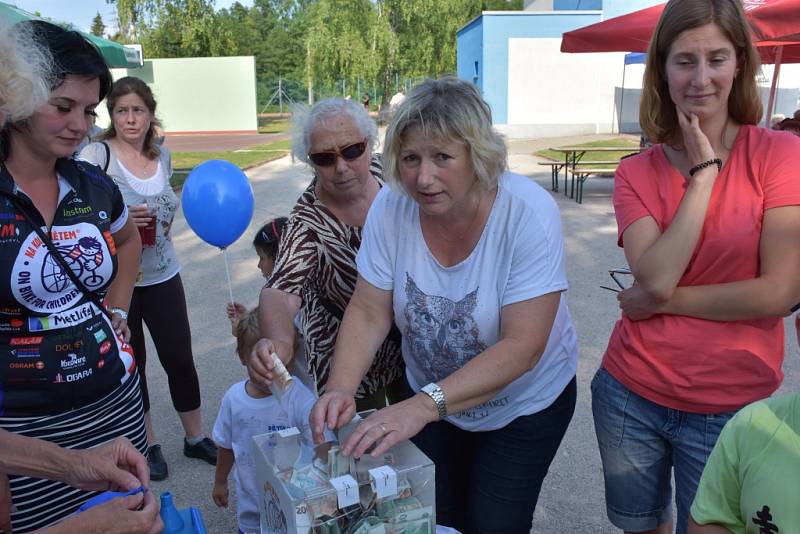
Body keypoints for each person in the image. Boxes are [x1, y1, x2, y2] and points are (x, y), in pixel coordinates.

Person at [310, 76, 579, 533]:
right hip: (433, 399)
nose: (423, 177)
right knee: (434, 516)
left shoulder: (527, 213)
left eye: (442, 157)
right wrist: (339, 386)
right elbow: (369, 309)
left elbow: (523, 347)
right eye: (410, 158)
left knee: (493, 522)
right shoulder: (391, 207)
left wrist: (419, 407)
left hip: (523, 404)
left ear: (479, 155)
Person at [592, 1, 800, 533]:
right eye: (685, 60)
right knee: (638, 525)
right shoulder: (636, 172)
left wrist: (665, 301)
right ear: (662, 68)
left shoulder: (780, 156)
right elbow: (655, 276)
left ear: (739, 65)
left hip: (727, 403)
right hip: (630, 391)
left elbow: (778, 293)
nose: (701, 78)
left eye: (716, 59)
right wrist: (705, 173)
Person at [0, 20, 160, 533]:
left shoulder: (92, 183)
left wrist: (116, 309)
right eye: (63, 106)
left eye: (89, 112)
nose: (80, 125)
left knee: (131, 522)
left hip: (113, 404)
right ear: (17, 94)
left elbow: (130, 240)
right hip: (24, 431)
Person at [79, 76, 216, 481]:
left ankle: (196, 438)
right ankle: (148, 442)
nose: (130, 119)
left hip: (163, 273)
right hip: (119, 281)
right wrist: (116, 225)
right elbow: (76, 221)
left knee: (179, 358)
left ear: (151, 114)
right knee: (132, 362)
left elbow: (167, 203)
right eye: (121, 111)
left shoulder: (164, 157)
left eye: (138, 110)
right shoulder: (96, 155)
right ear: (112, 115)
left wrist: (165, 220)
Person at [247, 98, 405, 411]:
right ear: (310, 160)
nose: (341, 166)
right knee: (363, 445)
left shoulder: (391, 174)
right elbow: (280, 291)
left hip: (408, 337)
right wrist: (279, 341)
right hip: (346, 350)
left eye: (352, 151)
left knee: (421, 434)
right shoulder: (308, 221)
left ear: (369, 142)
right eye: (324, 158)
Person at [212, 307, 318, 534]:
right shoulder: (233, 400)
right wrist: (220, 481)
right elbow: (226, 445)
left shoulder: (297, 395)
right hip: (251, 505)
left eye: (280, 366)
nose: (272, 376)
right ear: (243, 357)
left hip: (295, 502)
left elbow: (318, 438)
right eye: (261, 366)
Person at [226, 217, 289, 335]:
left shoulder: (283, 297)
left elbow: (271, 340)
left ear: (280, 258)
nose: (258, 265)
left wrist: (242, 330)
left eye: (262, 258)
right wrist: (248, 319)